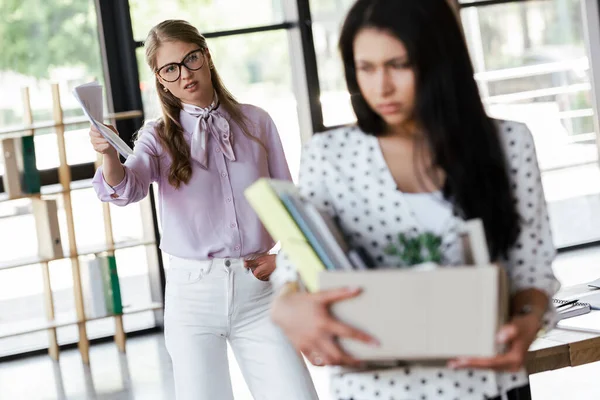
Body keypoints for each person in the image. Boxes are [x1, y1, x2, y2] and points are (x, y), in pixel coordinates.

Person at [269, 1, 560, 399]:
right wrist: (288, 306)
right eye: (365, 68)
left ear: (439, 60)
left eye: (399, 65)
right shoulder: (329, 154)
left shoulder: (508, 144)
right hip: (374, 389)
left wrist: (528, 319)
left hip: (486, 384)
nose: (381, 87)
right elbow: (294, 270)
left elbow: (531, 271)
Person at [89, 19, 318, 400]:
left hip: (259, 294)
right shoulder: (157, 136)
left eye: (191, 59)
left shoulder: (257, 121)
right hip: (193, 297)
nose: (185, 74)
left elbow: (287, 200)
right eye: (170, 69)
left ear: (207, 57)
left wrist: (287, 258)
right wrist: (108, 154)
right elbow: (126, 189)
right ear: (161, 80)